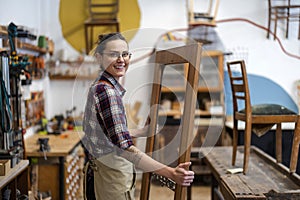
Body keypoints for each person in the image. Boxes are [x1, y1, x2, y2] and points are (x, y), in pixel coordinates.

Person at [82, 32, 194, 200]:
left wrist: (140, 132)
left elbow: (106, 135)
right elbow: (125, 149)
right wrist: (170, 172)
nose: (121, 59)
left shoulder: (100, 85)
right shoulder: (107, 92)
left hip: (101, 173)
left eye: (125, 54)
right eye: (113, 54)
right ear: (99, 57)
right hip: (111, 179)